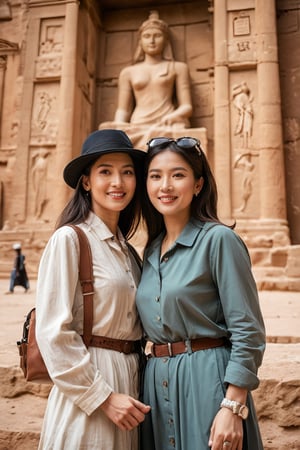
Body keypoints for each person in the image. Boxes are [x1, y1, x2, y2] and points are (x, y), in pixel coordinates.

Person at [136, 136, 266, 450]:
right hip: (155, 384)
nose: (165, 185)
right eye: (155, 176)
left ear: (198, 185)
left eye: (178, 175)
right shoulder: (151, 250)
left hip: (208, 382)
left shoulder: (219, 240)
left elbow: (248, 330)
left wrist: (232, 406)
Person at [35, 129, 150, 450]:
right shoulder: (69, 240)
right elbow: (53, 332)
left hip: (130, 380)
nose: (118, 182)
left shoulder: (129, 252)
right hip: (91, 386)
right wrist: (103, 398)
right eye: (106, 172)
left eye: (127, 172)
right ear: (86, 181)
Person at [114, 11, 192, 129]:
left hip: (167, 122)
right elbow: (123, 110)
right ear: (140, 42)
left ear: (166, 41)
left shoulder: (178, 68)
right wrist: (118, 125)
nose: (152, 41)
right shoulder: (128, 72)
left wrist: (173, 116)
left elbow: (187, 106)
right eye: (147, 36)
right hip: (137, 124)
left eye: (157, 36)